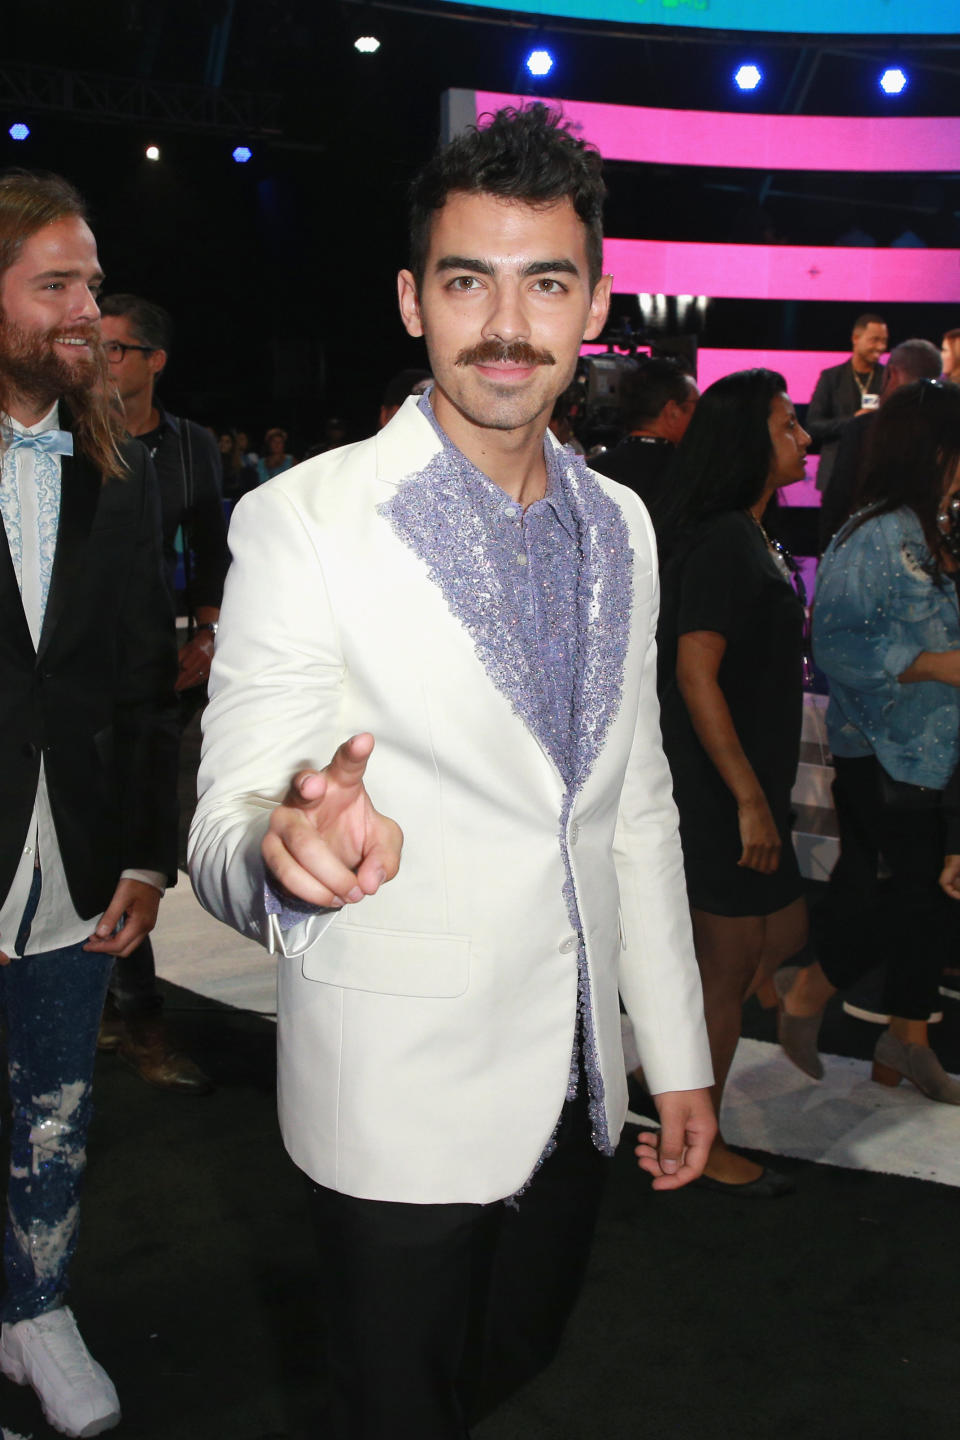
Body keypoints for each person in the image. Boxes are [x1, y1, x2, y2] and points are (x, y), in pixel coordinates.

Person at [189, 103, 714, 1438]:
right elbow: (233, 806)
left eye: (546, 283)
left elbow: (634, 801)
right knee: (398, 1408)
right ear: (414, 300)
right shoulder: (306, 522)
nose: (506, 322)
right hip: (400, 1083)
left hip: (578, 1077)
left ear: (591, 301)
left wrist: (678, 1053)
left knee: (516, 1357)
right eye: (468, 280)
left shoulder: (628, 527)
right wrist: (281, 852)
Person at [0, 171, 179, 1435]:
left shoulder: (116, 473)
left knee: (55, 1107)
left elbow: (144, 689)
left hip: (72, 860)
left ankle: (37, 1308)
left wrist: (149, 858)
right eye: (56, 284)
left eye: (93, 285)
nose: (87, 312)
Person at [777, 381, 960, 1104]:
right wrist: (936, 665)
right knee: (913, 895)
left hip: (932, 751)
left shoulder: (930, 524)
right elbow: (837, 642)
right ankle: (808, 989)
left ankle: (906, 1040)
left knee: (922, 900)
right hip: (887, 751)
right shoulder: (875, 532)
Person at [656, 369, 810, 1195]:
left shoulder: (750, 534)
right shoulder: (722, 540)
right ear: (750, 441)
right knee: (726, 967)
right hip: (719, 788)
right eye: (789, 426)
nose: (806, 439)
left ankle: (673, 1061)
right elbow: (695, 673)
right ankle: (694, 1139)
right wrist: (748, 797)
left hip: (747, 782)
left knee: (777, 934)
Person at [98, 292, 230, 1095]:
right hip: (86, 671)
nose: (102, 362)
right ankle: (130, 1013)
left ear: (155, 361)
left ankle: (133, 1013)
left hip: (169, 666)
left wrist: (211, 634)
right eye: (96, 347)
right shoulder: (67, 442)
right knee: (108, 832)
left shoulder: (191, 447)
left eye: (117, 349)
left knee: (145, 834)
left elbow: (216, 550)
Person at [819, 338, 942, 550]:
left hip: (867, 550)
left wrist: (827, 552)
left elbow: (840, 498)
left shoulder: (863, 429)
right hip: (933, 549)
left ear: (890, 374)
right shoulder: (946, 431)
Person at [591, 357, 698, 518]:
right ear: (672, 411)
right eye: (697, 405)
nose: (701, 415)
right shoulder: (693, 477)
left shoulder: (590, 472)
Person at [807, 312, 888, 496]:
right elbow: (814, 425)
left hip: (875, 476)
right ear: (856, 338)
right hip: (836, 475)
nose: (881, 347)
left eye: (884, 341)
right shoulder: (831, 377)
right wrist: (854, 421)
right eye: (874, 340)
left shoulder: (888, 378)